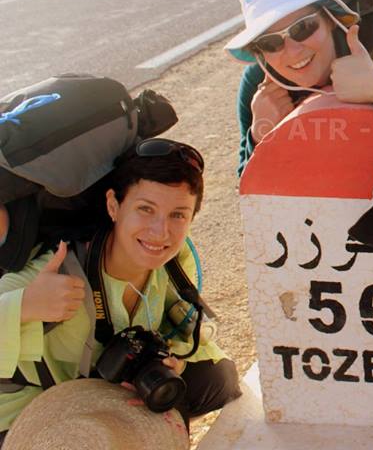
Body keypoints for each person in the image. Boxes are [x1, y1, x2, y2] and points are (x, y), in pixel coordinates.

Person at [0, 139, 240, 445]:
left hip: (96, 389)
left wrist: (173, 359)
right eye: (145, 209)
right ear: (114, 205)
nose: (160, 232)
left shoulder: (174, 263)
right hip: (28, 407)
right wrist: (23, 306)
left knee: (215, 379)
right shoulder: (58, 267)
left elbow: (185, 326)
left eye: (178, 215)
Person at [224, 0, 373, 175]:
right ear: (259, 52)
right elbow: (248, 185)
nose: (293, 51)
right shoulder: (258, 85)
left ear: (330, 19)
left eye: (303, 27)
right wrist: (260, 135)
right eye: (270, 43)